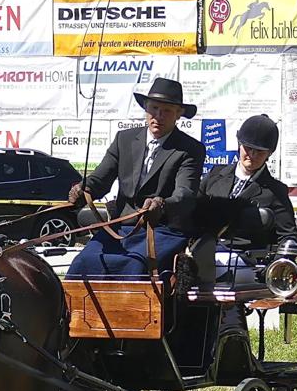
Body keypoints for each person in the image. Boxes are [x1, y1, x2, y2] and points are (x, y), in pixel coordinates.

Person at [66, 78, 205, 278]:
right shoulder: (124, 139)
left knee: (134, 265)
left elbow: (185, 194)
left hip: (163, 229)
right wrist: (83, 190)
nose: (158, 116)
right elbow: (100, 179)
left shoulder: (190, 149)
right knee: (83, 263)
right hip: (122, 227)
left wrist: (162, 204)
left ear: (178, 114)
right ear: (145, 108)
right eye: (154, 108)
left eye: (166, 111)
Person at [195, 114, 297, 251]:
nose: (252, 155)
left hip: (247, 262)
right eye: (248, 148)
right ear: (240, 145)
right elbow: (192, 210)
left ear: (269, 153)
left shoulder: (275, 191)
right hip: (205, 252)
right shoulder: (214, 175)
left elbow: (288, 236)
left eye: (260, 152)